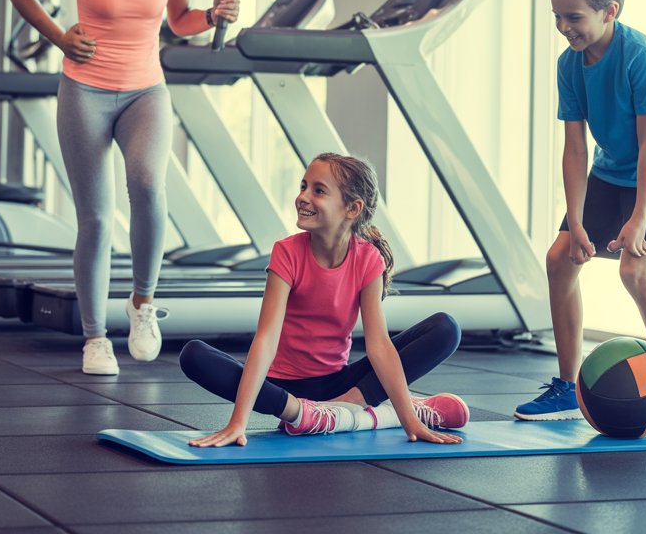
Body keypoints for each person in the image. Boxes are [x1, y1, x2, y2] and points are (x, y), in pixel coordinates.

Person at [9, 0, 239, 375]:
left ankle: (141, 303)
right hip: (84, 90)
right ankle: (94, 338)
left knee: (148, 185)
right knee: (94, 217)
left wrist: (213, 13)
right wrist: (60, 38)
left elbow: (179, 21)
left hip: (145, 90)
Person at [515, 0, 646, 422]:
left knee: (634, 272)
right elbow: (575, 148)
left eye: (573, 17)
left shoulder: (639, 55)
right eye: (557, 16)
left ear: (609, 11)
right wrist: (574, 223)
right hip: (610, 166)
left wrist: (637, 220)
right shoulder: (569, 64)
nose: (564, 26)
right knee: (559, 259)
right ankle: (568, 386)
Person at [182, 153, 468, 447]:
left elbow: (378, 345)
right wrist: (237, 423)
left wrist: (411, 422)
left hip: (338, 384)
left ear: (352, 208)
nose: (303, 197)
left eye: (318, 190)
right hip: (282, 388)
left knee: (445, 328)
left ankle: (346, 407)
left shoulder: (368, 259)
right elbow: (266, 339)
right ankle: (304, 412)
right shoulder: (287, 252)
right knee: (193, 355)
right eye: (303, 186)